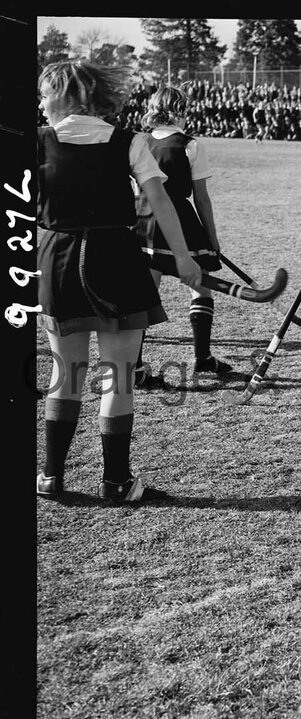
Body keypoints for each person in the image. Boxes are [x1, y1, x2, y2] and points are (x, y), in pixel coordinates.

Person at [36, 60, 201, 503]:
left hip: (57, 259)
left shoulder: (37, 141)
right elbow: (160, 201)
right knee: (119, 376)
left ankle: (51, 476)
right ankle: (116, 482)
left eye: (44, 95)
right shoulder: (129, 141)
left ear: (65, 97)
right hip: (116, 258)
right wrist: (183, 257)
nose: (41, 103)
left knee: (66, 371)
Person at [132, 86, 233, 387]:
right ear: (179, 110)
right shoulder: (191, 145)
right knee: (200, 288)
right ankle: (203, 357)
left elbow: (133, 188)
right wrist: (211, 237)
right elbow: (201, 197)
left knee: (144, 296)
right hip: (178, 221)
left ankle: (135, 367)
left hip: (142, 221)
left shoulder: (139, 142)